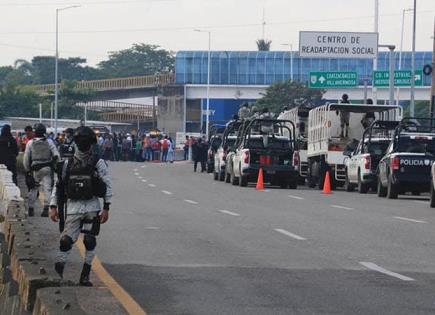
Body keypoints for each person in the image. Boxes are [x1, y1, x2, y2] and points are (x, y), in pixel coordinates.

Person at [49, 126, 112, 287]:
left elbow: (106, 184)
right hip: (74, 208)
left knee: (89, 240)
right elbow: (59, 186)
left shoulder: (97, 162)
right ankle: (58, 274)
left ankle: (85, 275)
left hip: (91, 206)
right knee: (66, 241)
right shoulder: (67, 163)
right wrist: (53, 205)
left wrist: (106, 207)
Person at [23, 123, 60, 217]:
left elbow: (26, 158)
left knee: (33, 188)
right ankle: (46, 208)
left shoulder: (30, 143)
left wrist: (27, 170)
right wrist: (56, 167)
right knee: (47, 188)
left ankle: (31, 208)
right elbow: (56, 155)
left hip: (35, 169)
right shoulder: (49, 142)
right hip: (47, 168)